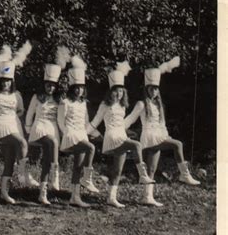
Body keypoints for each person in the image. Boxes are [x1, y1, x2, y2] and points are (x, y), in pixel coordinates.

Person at [125, 56, 200, 207]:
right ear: (146, 89)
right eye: (151, 88)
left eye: (156, 88)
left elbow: (163, 124)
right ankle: (184, 174)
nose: (154, 91)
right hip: (149, 135)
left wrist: (165, 135)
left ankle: (147, 197)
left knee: (152, 168)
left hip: (158, 135)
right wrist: (122, 130)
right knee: (177, 144)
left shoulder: (159, 105)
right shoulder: (141, 104)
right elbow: (129, 119)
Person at [87, 61, 154, 208]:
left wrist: (127, 132)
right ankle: (142, 175)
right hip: (111, 136)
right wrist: (86, 133)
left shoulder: (123, 106)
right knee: (137, 145)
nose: (119, 94)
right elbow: (95, 121)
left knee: (117, 169)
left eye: (121, 91)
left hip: (121, 136)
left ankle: (111, 197)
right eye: (116, 91)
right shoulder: (105, 105)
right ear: (111, 91)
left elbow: (122, 124)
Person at [0, 60, 38, 204]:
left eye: (8, 81)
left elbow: (21, 110)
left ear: (12, 81)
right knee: (22, 143)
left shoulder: (17, 95)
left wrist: (13, 117)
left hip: (14, 124)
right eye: (3, 81)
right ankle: (23, 174)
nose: (5, 84)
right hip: (0, 124)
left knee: (9, 160)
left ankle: (4, 193)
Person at [57, 56, 99, 208]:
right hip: (70, 135)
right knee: (91, 148)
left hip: (81, 134)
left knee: (77, 166)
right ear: (71, 88)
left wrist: (97, 134)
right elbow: (60, 122)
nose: (79, 90)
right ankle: (87, 179)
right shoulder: (65, 102)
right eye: (76, 87)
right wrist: (65, 135)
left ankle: (75, 197)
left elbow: (86, 123)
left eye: (81, 87)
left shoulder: (83, 104)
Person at [25, 63, 62, 205]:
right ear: (44, 85)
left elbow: (61, 118)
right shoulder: (37, 97)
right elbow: (29, 114)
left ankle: (42, 193)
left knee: (46, 160)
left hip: (52, 128)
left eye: (53, 85)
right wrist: (28, 131)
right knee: (52, 142)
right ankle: (56, 173)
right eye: (48, 85)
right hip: (39, 126)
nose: (50, 88)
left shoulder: (58, 99)